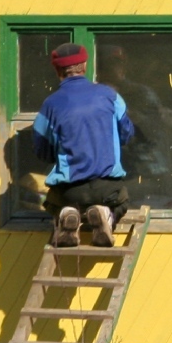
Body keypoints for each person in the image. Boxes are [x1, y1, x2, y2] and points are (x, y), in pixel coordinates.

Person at [33, 42, 135, 246]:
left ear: (57, 70)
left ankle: (67, 214)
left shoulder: (51, 104)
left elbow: (42, 150)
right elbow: (127, 133)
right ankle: (107, 216)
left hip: (70, 192)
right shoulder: (110, 96)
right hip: (108, 189)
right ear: (85, 66)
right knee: (122, 201)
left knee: (51, 203)